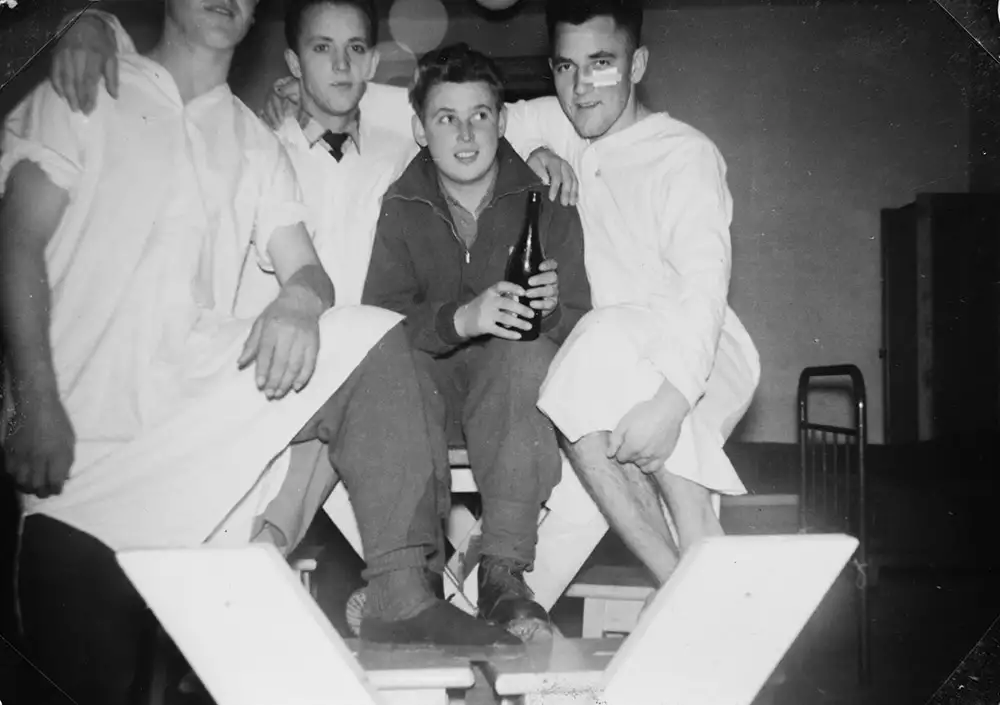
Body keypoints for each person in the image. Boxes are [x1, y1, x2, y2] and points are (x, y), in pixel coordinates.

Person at [0, 2, 519, 703]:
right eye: (322, 49)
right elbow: (16, 242)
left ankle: (400, 597)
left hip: (195, 416)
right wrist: (33, 401)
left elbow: (309, 267)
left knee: (368, 333)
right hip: (79, 448)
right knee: (87, 679)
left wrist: (300, 299)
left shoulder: (253, 140)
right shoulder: (87, 84)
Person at [361, 43, 591, 639]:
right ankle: (413, 576)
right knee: (394, 366)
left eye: (480, 115)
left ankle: (503, 577)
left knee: (526, 350)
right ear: (420, 130)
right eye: (446, 118)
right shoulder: (401, 204)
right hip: (429, 406)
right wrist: (460, 320)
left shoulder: (547, 199)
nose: (465, 134)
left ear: (502, 121)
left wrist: (551, 312)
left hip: (513, 411)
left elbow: (580, 323)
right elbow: (379, 323)